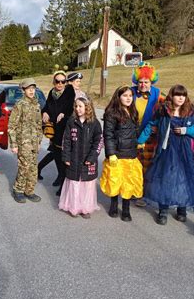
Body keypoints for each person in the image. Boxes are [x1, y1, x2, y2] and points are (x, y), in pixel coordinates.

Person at [138, 85, 194, 225]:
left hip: (185, 152)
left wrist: (187, 130)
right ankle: (163, 209)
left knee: (183, 179)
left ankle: (182, 208)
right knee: (165, 178)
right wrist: (139, 141)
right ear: (171, 96)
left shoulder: (192, 112)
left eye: (183, 95)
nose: (181, 98)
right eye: (177, 95)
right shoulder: (163, 110)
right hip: (166, 150)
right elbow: (151, 125)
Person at [100, 86, 143, 222]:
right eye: (125, 95)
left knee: (128, 182)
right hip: (117, 155)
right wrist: (111, 153)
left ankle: (126, 209)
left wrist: (138, 142)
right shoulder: (112, 113)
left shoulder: (133, 112)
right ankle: (113, 205)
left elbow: (136, 130)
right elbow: (108, 134)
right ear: (118, 97)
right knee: (115, 181)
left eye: (130, 95)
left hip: (130, 154)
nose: (128, 98)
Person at [59, 97, 102, 219]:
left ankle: (85, 208)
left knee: (86, 185)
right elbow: (66, 140)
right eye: (76, 106)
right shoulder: (71, 122)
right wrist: (66, 156)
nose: (78, 109)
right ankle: (74, 207)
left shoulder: (95, 123)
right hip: (73, 160)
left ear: (87, 108)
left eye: (81, 106)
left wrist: (92, 157)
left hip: (88, 161)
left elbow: (98, 142)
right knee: (74, 184)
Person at [131, 62, 165, 206]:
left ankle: (143, 194)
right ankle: (133, 190)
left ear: (151, 81)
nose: (143, 84)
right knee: (133, 164)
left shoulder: (158, 95)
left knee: (146, 166)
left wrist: (160, 127)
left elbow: (168, 113)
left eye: (146, 82)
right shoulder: (130, 92)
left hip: (150, 137)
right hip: (131, 135)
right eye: (140, 82)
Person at [8, 78, 43, 203]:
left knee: (33, 168)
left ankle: (29, 191)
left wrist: (39, 141)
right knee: (24, 166)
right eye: (29, 89)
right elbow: (12, 126)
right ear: (23, 90)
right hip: (23, 142)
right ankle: (18, 190)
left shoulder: (37, 104)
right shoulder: (20, 105)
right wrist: (14, 144)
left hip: (34, 142)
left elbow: (39, 125)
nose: (31, 91)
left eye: (33, 88)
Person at [41, 69, 76, 192]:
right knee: (56, 154)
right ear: (53, 82)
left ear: (66, 82)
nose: (60, 84)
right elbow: (47, 106)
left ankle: (64, 183)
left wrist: (63, 113)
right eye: (57, 81)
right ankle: (60, 176)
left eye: (63, 81)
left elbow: (70, 105)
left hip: (66, 127)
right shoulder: (52, 92)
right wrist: (44, 112)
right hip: (55, 129)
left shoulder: (69, 90)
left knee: (64, 156)